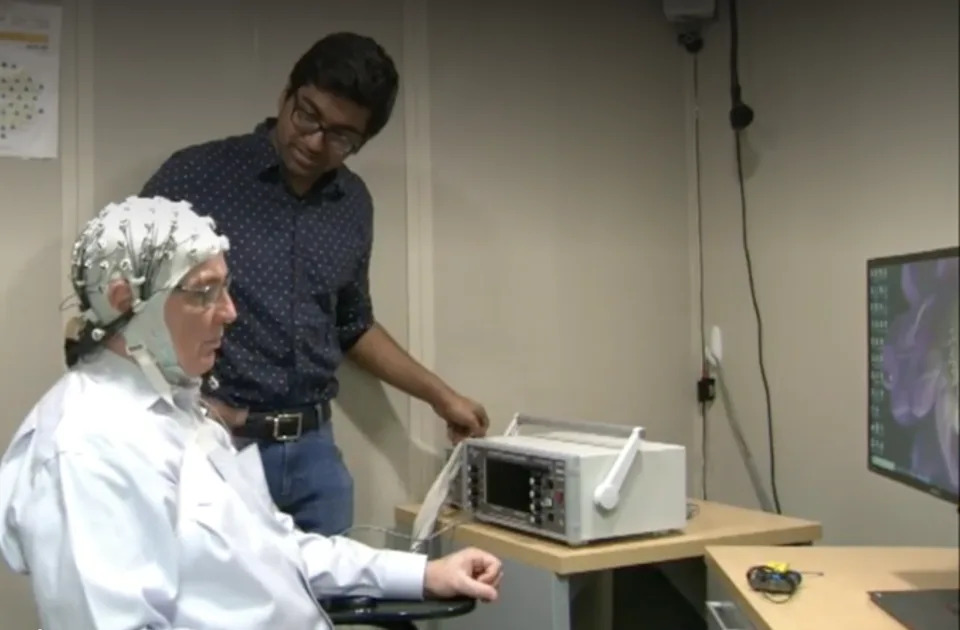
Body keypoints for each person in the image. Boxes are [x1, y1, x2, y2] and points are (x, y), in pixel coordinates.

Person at [0, 196, 502, 630]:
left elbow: (275, 549)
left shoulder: (181, 412)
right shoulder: (88, 447)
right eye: (205, 292)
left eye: (227, 287)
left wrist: (421, 575)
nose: (231, 312)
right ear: (124, 301)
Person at [139, 31, 489, 537]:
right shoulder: (196, 177)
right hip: (211, 444)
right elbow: (123, 301)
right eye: (308, 116)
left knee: (325, 609)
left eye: (342, 136)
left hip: (314, 453)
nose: (315, 141)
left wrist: (440, 396)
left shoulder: (352, 204)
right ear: (286, 97)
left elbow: (352, 323)